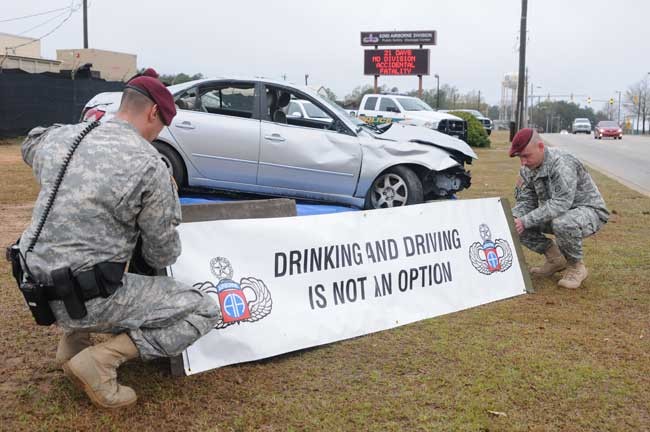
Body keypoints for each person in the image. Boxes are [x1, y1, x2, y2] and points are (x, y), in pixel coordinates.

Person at [18, 69, 221, 409]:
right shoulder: (149, 165)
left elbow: (31, 142)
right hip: (84, 296)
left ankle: (72, 343)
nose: (158, 135)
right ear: (153, 113)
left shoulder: (64, 138)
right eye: (161, 126)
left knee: (90, 255)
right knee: (202, 309)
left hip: (33, 285)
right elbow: (161, 255)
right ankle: (101, 361)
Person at [509, 128, 609, 289]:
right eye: (520, 157)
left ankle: (576, 267)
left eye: (526, 156)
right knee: (512, 222)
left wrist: (525, 221)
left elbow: (561, 203)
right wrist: (516, 219)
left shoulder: (562, 162)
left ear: (540, 146)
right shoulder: (527, 169)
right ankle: (555, 259)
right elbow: (527, 201)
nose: (523, 162)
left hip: (589, 211)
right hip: (557, 214)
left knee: (562, 222)